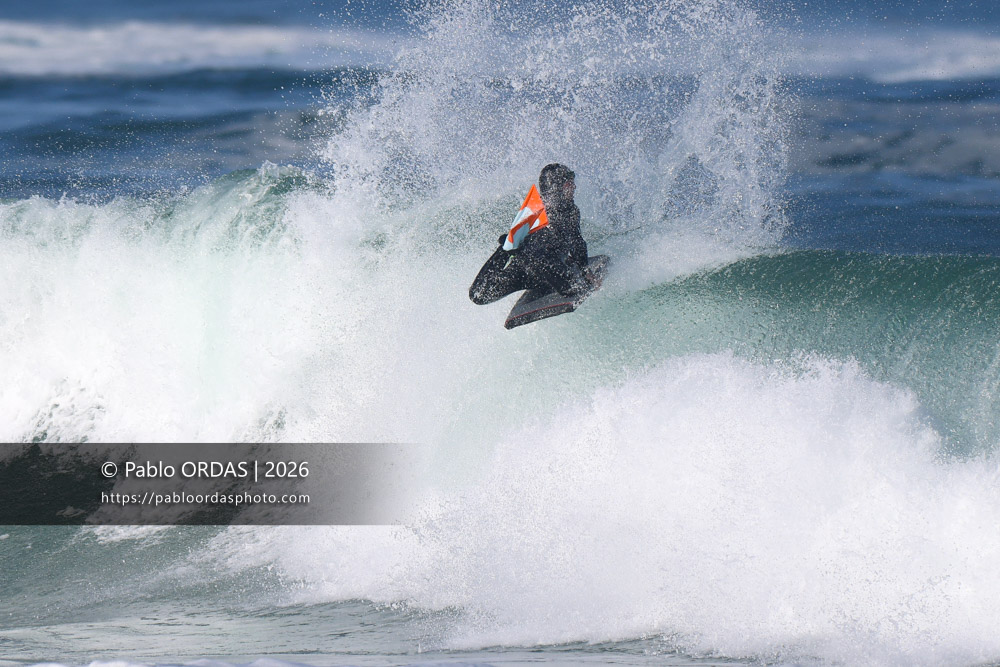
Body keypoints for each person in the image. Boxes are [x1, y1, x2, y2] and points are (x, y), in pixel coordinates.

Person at [469, 163, 593, 305]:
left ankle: (560, 279)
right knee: (478, 296)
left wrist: (584, 269)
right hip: (526, 273)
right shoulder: (538, 217)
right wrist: (509, 248)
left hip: (552, 268)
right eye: (568, 184)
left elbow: (578, 242)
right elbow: (537, 259)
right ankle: (503, 250)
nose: (574, 187)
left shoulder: (571, 210)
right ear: (556, 189)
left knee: (570, 285)